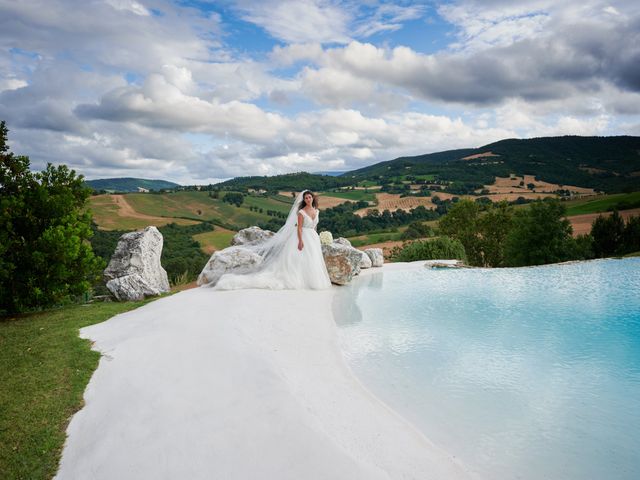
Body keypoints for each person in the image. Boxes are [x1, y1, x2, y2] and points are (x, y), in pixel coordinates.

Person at [212, 190, 332, 290]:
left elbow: (315, 226)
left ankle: (311, 279)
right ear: (304, 200)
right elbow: (299, 228)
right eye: (306, 198)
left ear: (313, 198)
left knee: (312, 259)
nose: (308, 199)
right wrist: (300, 241)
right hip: (302, 236)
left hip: (313, 237)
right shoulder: (301, 212)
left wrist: (316, 237)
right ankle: (299, 280)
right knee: (298, 259)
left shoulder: (316, 211)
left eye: (309, 197)